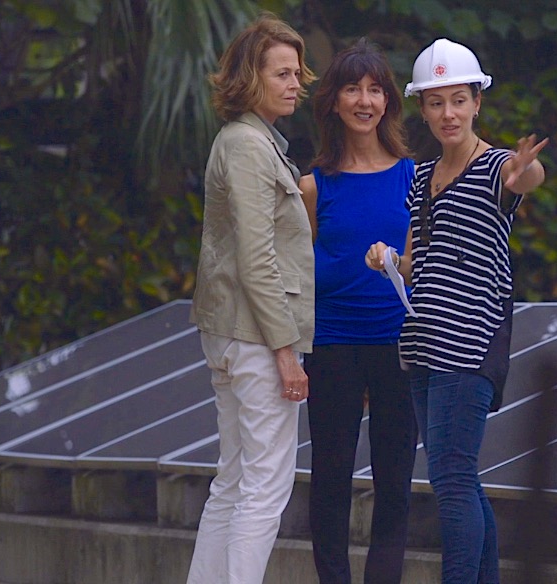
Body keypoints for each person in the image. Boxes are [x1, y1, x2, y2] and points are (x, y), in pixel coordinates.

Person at [365, 38, 548, 583]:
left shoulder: (496, 168)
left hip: (470, 343)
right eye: (437, 102)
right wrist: (386, 259)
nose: (449, 113)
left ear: (477, 103)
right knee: (460, 479)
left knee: (449, 478)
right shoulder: (421, 178)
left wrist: (525, 174)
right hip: (421, 342)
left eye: (459, 100)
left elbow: (525, 180)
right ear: (423, 109)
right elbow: (415, 261)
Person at [186, 12, 316, 584]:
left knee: (235, 481)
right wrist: (285, 349)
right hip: (256, 334)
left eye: (297, 73)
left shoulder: (255, 142)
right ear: (251, 77)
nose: (296, 84)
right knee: (264, 486)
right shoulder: (246, 145)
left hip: (234, 331)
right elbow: (255, 256)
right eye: (282, 73)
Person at [299, 38, 418, 584]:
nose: (364, 100)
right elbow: (298, 273)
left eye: (375, 89)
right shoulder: (312, 185)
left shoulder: (415, 178)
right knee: (330, 476)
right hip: (333, 342)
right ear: (335, 102)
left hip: (401, 342)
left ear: (389, 101)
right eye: (352, 88)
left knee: (395, 478)